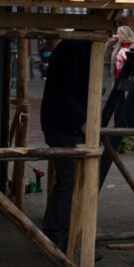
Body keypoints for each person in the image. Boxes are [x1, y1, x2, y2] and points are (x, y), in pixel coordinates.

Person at [40, 39, 91, 253]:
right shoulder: (74, 49)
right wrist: (82, 121)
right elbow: (63, 93)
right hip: (64, 127)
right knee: (68, 182)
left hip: (63, 125)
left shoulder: (75, 48)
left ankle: (59, 234)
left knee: (68, 181)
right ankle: (59, 238)